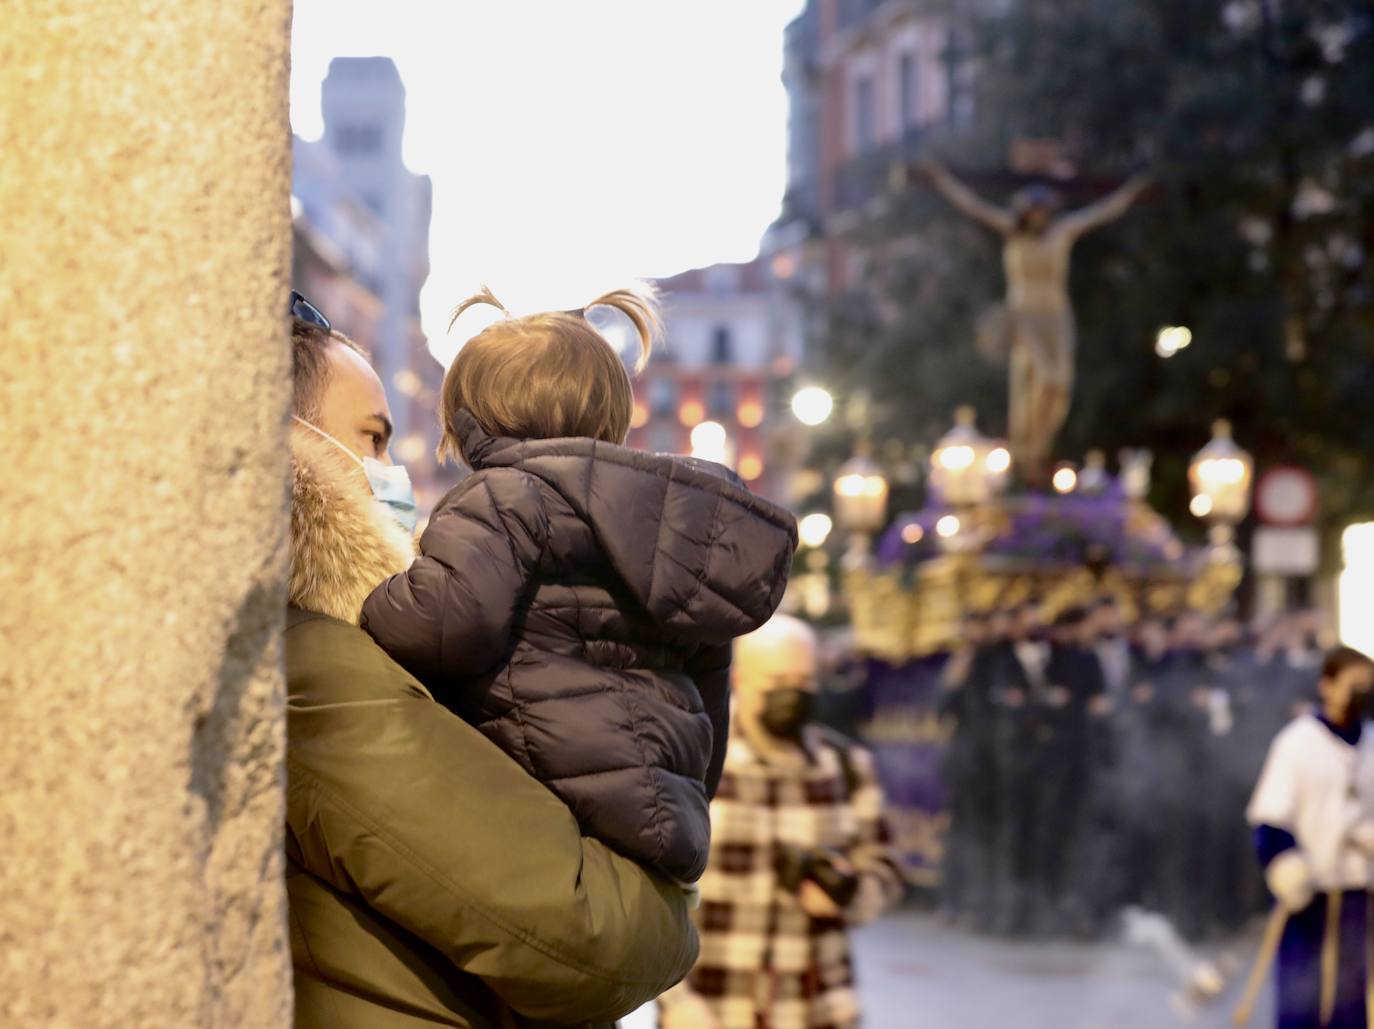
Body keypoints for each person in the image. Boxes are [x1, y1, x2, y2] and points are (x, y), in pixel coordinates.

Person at [283, 308, 698, 1027]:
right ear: (298, 456)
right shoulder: (319, 668)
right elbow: (592, 938)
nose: (397, 471)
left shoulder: (365, 640)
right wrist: (673, 893)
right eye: (373, 439)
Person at [359, 286, 798, 884]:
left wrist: (376, 589)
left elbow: (442, 624)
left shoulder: (503, 497)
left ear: (466, 426)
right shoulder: (675, 533)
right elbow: (711, 689)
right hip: (663, 821)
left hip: (541, 803)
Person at [658, 614, 905, 1029]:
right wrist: (674, 1002)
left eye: (804, 681)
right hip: (710, 1009)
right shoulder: (694, 763)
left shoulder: (846, 766)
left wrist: (851, 892)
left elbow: (886, 866)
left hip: (816, 1007)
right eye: (778, 681)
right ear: (740, 680)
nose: (792, 694)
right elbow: (655, 897)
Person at [1247, 646, 1374, 1029]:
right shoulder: (1297, 742)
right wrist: (1284, 863)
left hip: (1358, 890)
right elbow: (1270, 817)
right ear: (1327, 685)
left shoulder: (1372, 741)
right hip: (1307, 893)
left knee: (1352, 997)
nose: (1361, 694)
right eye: (1354, 686)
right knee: (1302, 998)